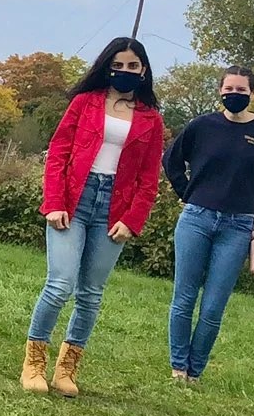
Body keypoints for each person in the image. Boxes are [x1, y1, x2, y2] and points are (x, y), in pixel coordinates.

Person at [21, 37, 165, 397]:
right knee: (60, 285)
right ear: (108, 66)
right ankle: (34, 362)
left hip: (114, 210)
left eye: (133, 66)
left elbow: (149, 179)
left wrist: (133, 220)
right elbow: (57, 153)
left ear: (143, 70)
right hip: (73, 200)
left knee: (91, 294)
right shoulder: (85, 103)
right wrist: (54, 202)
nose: (126, 71)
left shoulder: (152, 119)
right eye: (119, 64)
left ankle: (66, 370)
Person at [164, 66, 254, 383]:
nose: (235, 95)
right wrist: (185, 192)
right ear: (220, 91)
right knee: (184, 298)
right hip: (196, 218)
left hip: (238, 225)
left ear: (252, 93)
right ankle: (178, 368)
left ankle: (195, 371)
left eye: (242, 90)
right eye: (229, 89)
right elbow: (171, 159)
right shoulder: (203, 125)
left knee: (214, 306)